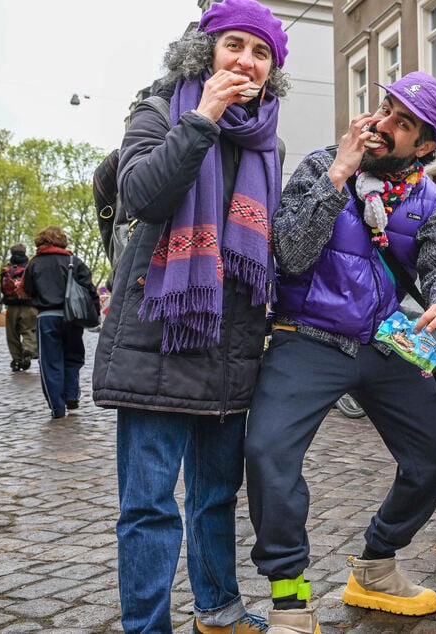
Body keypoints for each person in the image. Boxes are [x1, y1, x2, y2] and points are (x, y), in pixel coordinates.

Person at [244, 71, 436, 634]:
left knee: (435, 456)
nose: (383, 123)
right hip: (307, 336)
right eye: (386, 108)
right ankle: (290, 597)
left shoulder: (427, 196)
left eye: (403, 121)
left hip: (384, 339)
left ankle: (376, 565)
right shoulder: (324, 163)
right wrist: (339, 172)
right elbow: (289, 254)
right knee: (269, 452)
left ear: (423, 146)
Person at [90, 0, 288, 631]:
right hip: (161, 329)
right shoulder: (157, 110)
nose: (247, 61)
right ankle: (146, 626)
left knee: (214, 498)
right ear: (206, 52)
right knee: (148, 505)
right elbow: (142, 195)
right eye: (235, 45)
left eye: (262, 53)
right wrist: (202, 117)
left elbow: (272, 246)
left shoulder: (268, 141)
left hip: (230, 341)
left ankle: (218, 611)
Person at [23, 227, 99, 419]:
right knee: (73, 357)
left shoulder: (34, 264)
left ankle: (57, 408)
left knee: (50, 363)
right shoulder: (74, 261)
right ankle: (71, 394)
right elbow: (90, 290)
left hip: (47, 317)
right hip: (72, 317)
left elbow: (27, 290)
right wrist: (95, 313)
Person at [0, 243, 37, 371]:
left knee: (12, 334)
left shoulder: (6, 269)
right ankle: (28, 349)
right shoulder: (31, 266)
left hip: (11, 306)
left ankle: (16, 360)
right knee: (29, 330)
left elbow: (2, 288)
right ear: (25, 251)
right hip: (29, 305)